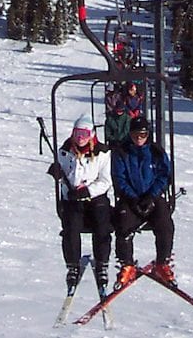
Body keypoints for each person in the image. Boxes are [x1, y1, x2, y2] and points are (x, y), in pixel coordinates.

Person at [49, 115, 113, 294]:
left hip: (95, 197)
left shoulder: (102, 152)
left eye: (84, 134)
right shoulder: (65, 151)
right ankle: (72, 265)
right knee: (71, 228)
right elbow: (66, 176)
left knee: (102, 225)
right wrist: (60, 176)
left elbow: (106, 180)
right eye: (77, 133)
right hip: (72, 198)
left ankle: (102, 264)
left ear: (91, 134)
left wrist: (88, 191)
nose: (80, 138)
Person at [111, 115, 175, 285]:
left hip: (151, 197)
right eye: (135, 135)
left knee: (165, 223)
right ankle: (126, 264)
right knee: (123, 223)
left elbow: (164, 175)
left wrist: (152, 196)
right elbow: (119, 178)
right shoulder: (122, 152)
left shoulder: (156, 152)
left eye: (142, 135)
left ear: (148, 135)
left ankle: (162, 262)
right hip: (130, 198)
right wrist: (132, 198)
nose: (139, 139)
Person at [103, 80, 145, 146]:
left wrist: (137, 110)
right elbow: (108, 132)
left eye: (133, 90)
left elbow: (126, 130)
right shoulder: (122, 98)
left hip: (132, 115)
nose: (132, 92)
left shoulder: (136, 98)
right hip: (119, 114)